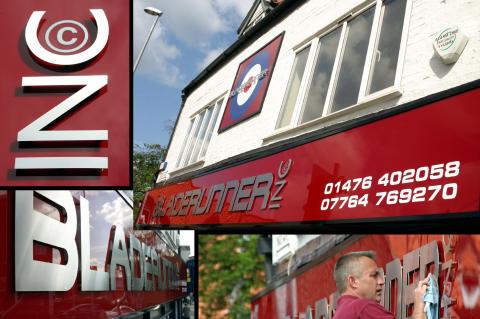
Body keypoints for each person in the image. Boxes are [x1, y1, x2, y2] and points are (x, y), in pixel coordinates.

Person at [333, 251, 430, 319]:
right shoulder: (362, 307)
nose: (381, 281)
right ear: (353, 281)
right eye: (374, 275)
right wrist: (419, 303)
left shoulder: (340, 313)